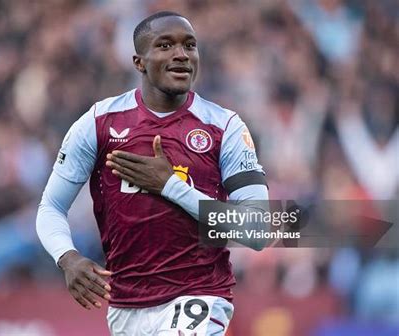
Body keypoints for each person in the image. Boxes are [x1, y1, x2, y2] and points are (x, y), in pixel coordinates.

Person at [36, 11, 269, 335]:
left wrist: (170, 185)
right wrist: (68, 257)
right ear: (139, 62)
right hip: (126, 306)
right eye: (165, 45)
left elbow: (258, 230)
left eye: (190, 46)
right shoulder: (99, 123)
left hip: (199, 297)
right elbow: (51, 208)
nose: (181, 54)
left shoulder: (224, 127)